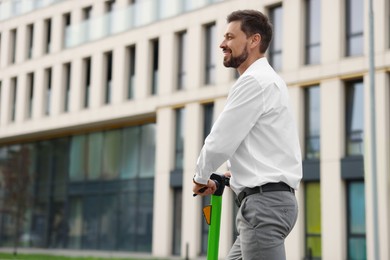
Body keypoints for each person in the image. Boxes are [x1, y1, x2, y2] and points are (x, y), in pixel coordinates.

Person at [192, 10, 302, 260]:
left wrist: (200, 177)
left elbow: (220, 140)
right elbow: (269, 144)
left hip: (264, 207)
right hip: (267, 204)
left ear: (254, 40)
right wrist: (235, 173)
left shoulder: (254, 82)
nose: (222, 44)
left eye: (230, 37)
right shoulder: (269, 81)